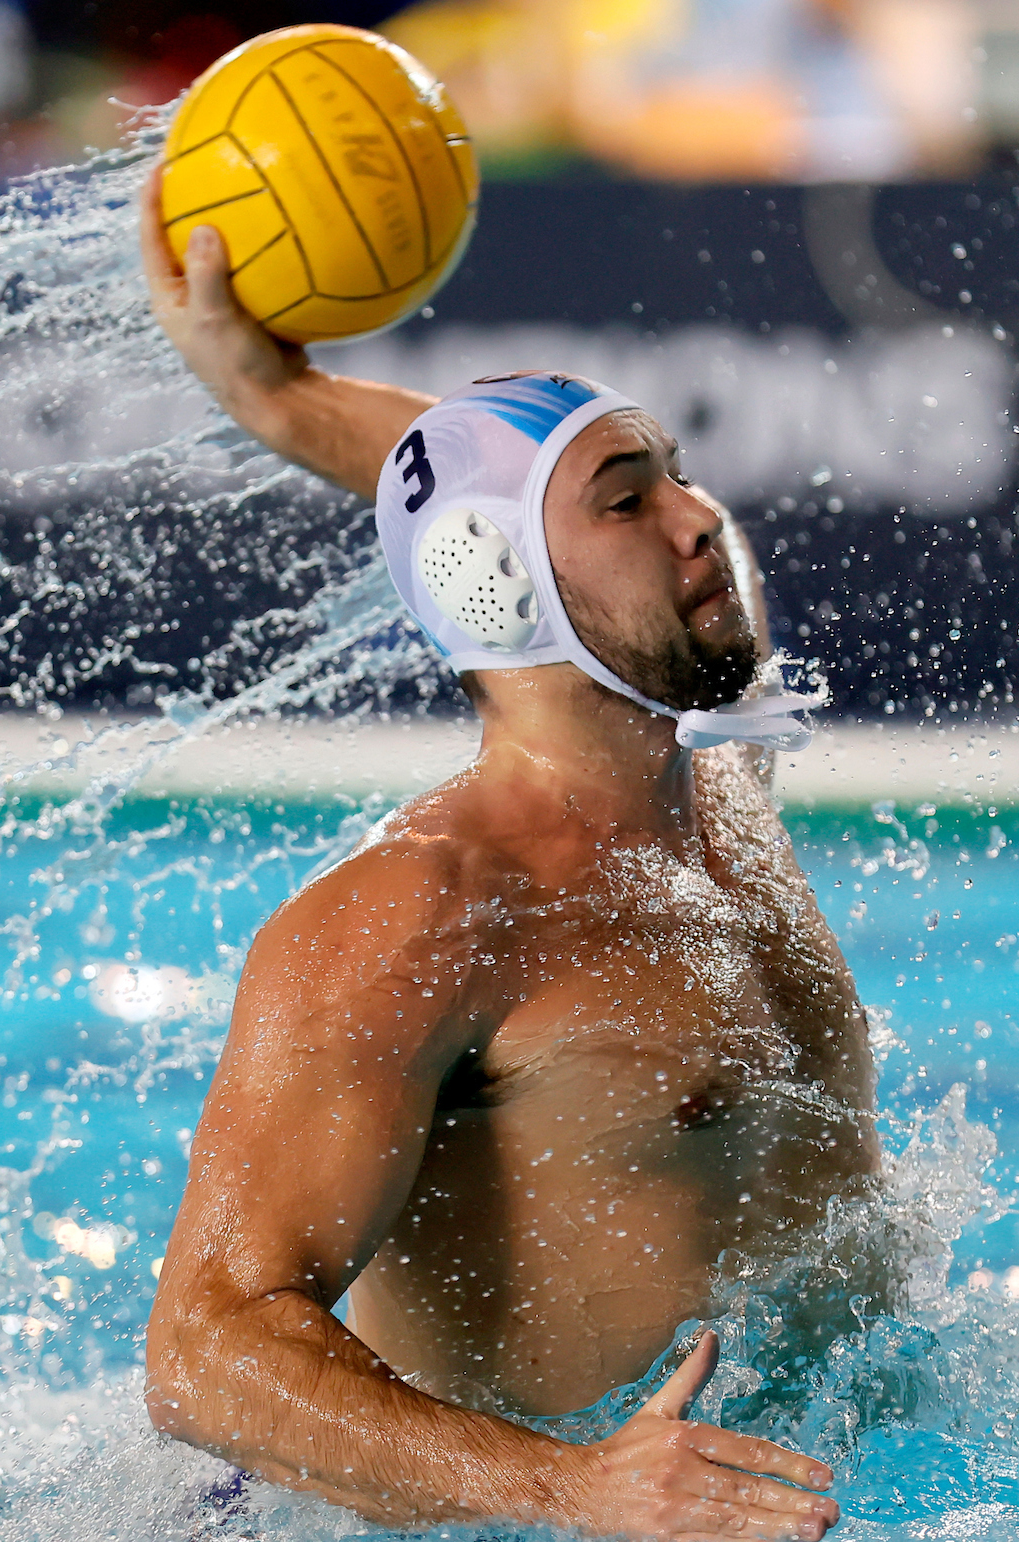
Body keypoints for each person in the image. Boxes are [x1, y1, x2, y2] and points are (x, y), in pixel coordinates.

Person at [137, 177, 883, 1541]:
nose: (698, 517)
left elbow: (497, 510)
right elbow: (204, 1348)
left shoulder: (719, 781)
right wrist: (577, 1489)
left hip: (786, 1487)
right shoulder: (420, 915)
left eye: (675, 472)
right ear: (499, 586)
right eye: (627, 500)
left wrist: (280, 400)